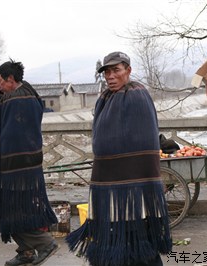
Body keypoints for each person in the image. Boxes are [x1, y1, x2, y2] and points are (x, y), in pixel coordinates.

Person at [66, 51, 172, 266]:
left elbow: (144, 138)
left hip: (134, 186)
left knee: (137, 235)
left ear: (128, 71)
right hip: (106, 181)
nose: (110, 76)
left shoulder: (137, 96)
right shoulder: (105, 99)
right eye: (107, 72)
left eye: (116, 70)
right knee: (112, 234)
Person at [0, 59, 59, 266]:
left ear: (11, 79)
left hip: (18, 167)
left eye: (0, 81)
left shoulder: (18, 101)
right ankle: (25, 252)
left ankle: (45, 243)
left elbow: (13, 136)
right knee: (17, 208)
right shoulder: (23, 95)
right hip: (25, 165)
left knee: (12, 208)